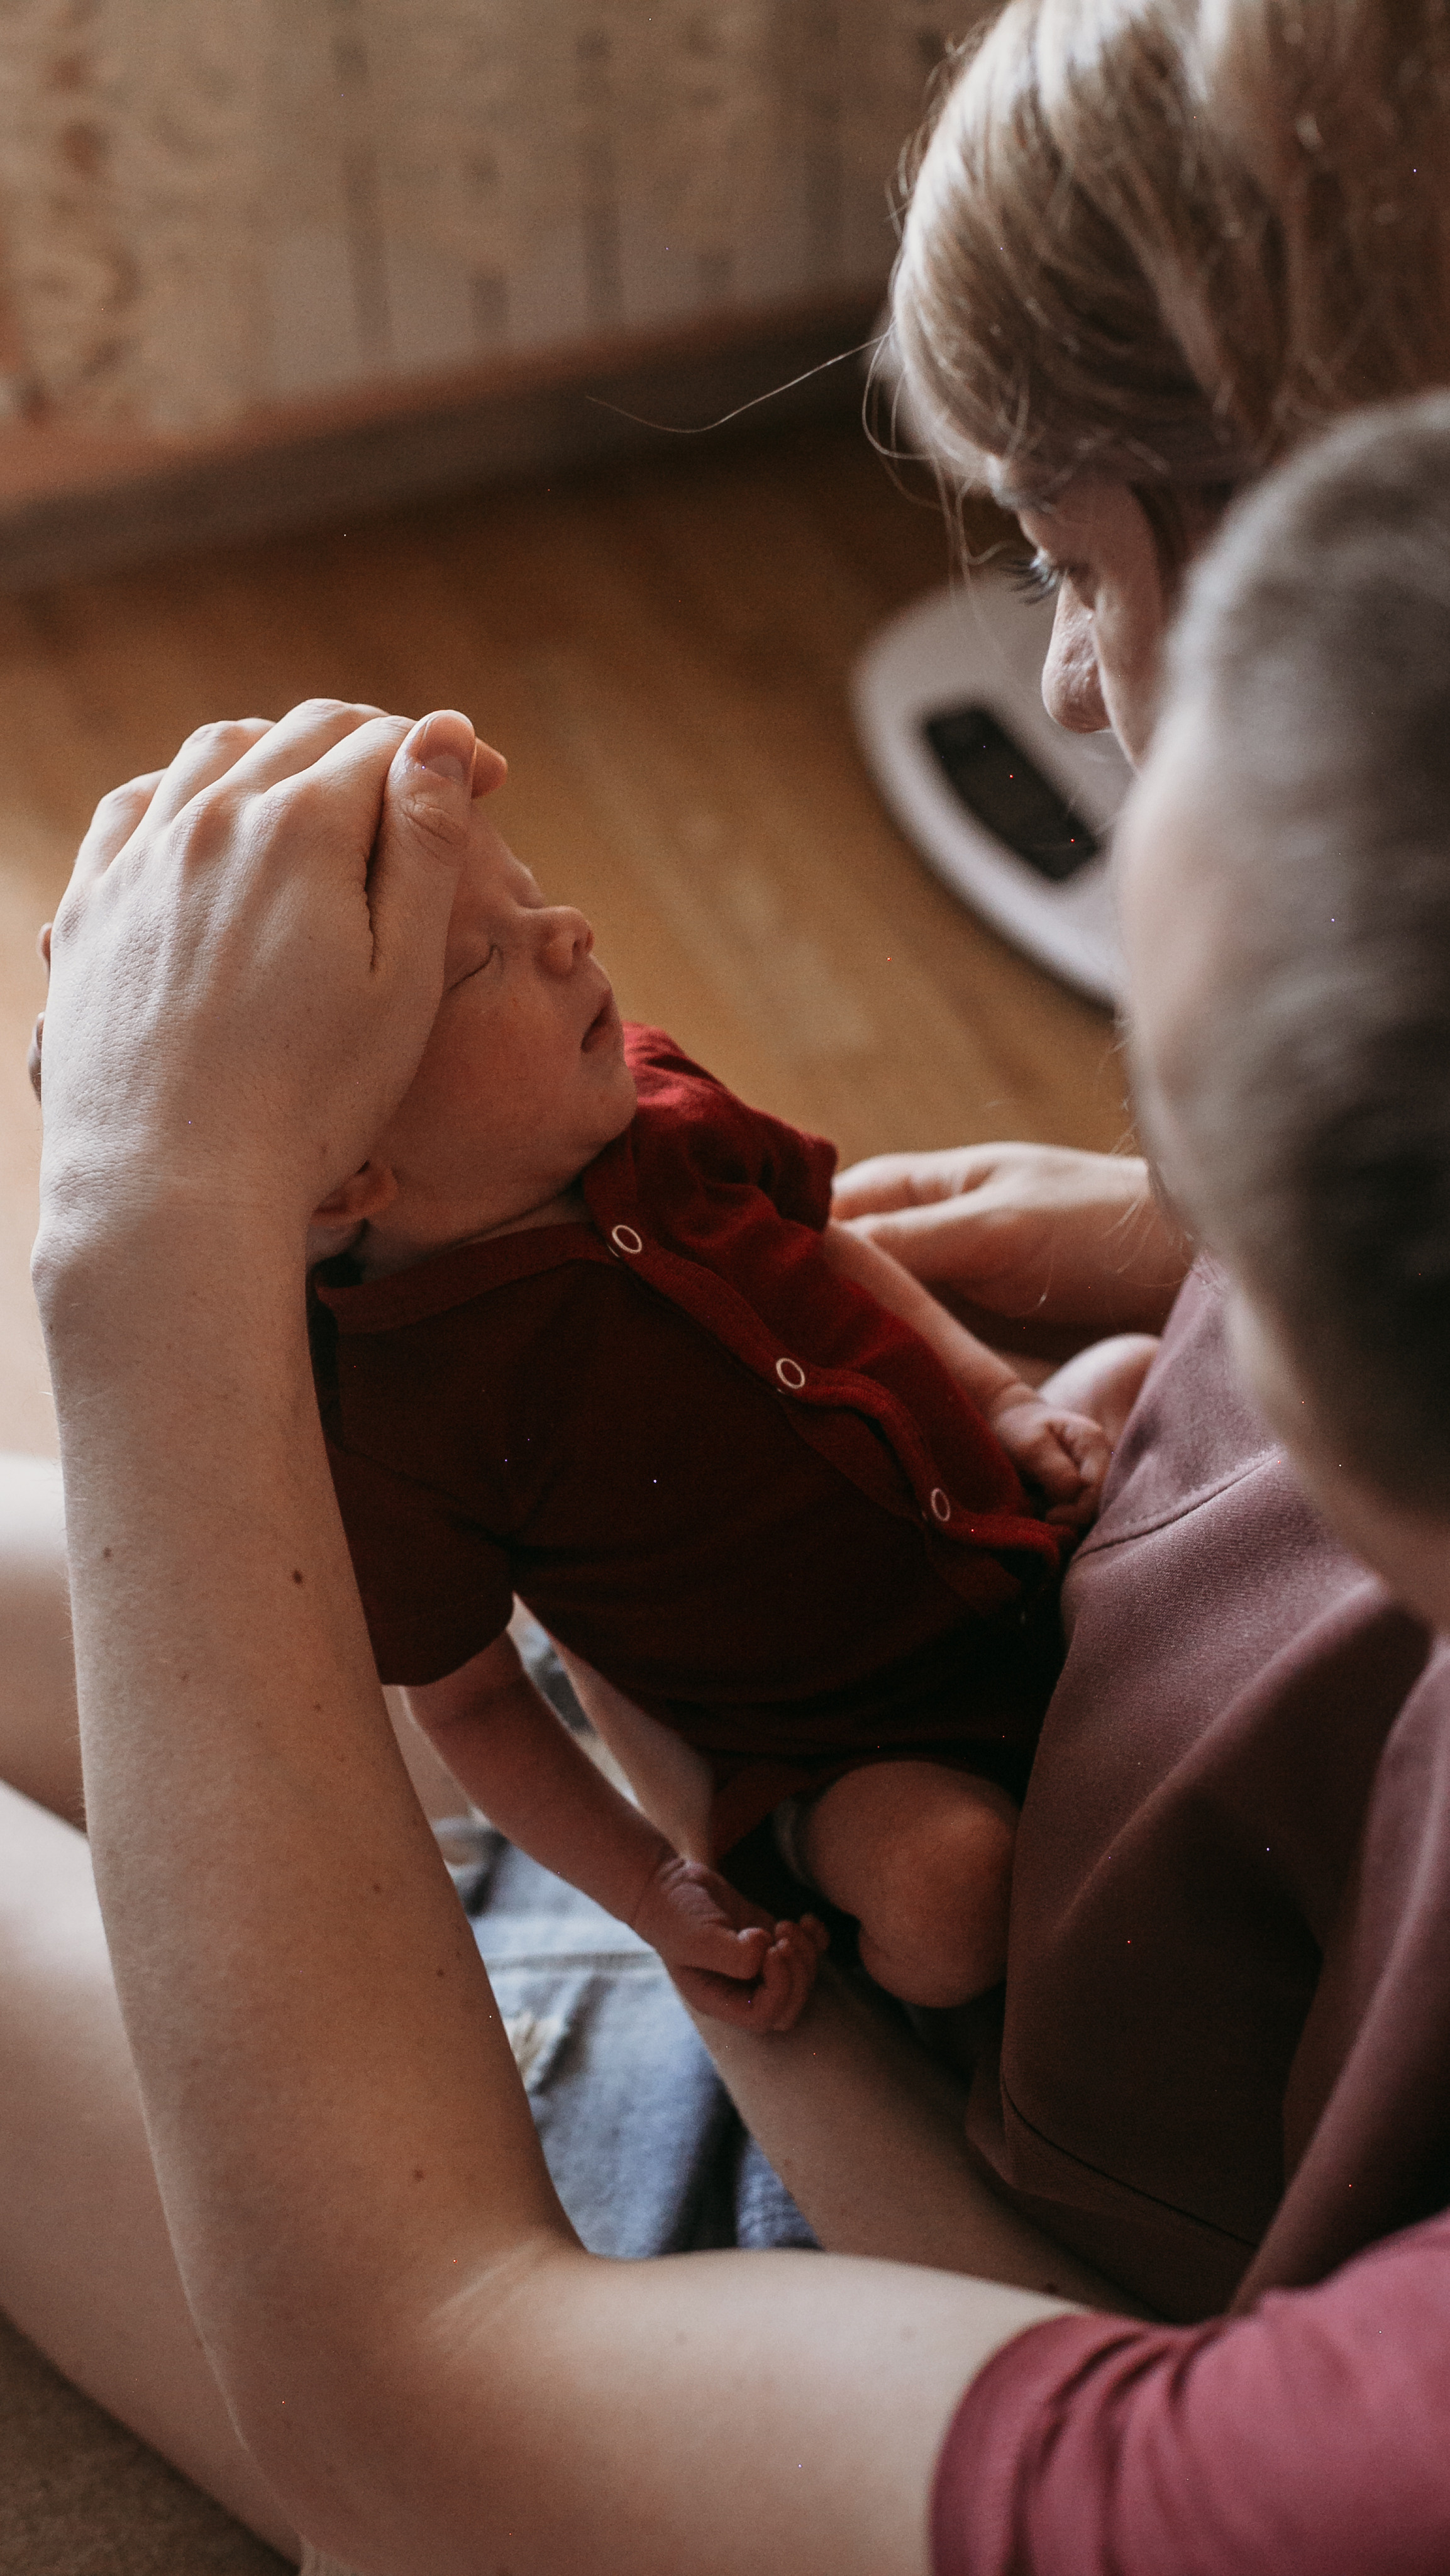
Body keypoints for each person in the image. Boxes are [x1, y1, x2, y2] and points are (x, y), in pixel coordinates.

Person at [5, 2, 1450, 2570]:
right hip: (1023, 1720)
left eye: (1086, 566)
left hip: (925, 2200)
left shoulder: (1349, 2447)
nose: (1090, 687)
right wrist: (1181, 1233)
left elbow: (424, 2412)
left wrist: (146, 1222)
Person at [307, 765, 1149, 2021]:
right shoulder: (392, 1413)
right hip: (859, 1740)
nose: (568, 931)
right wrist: (655, 1888)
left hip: (1033, 1538)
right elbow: (473, 1699)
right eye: (484, 959)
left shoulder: (658, 1099)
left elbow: (823, 1241)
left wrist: (1001, 1402)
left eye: (532, 896)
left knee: (1138, 1371)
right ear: (345, 1173)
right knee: (945, 1889)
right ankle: (846, 1899)